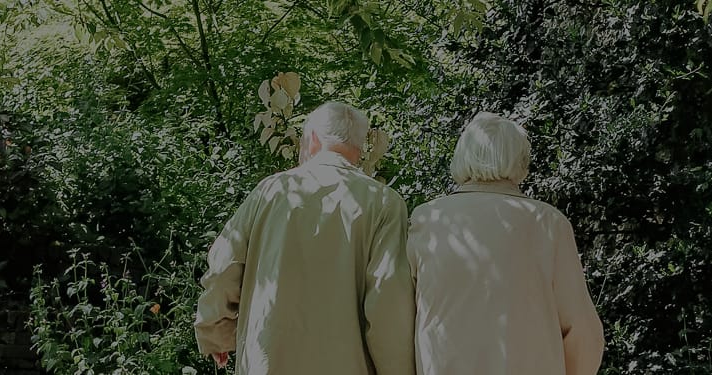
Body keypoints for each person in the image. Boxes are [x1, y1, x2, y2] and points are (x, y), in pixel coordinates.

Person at [194, 102, 416, 375]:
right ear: (360, 149)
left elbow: (224, 267)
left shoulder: (270, 191)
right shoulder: (383, 202)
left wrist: (216, 333)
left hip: (267, 363)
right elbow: (387, 304)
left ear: (312, 139)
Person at [407, 112, 605, 375]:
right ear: (520, 160)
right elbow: (582, 330)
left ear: (462, 156)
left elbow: (401, 316)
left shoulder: (428, 219)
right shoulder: (548, 222)